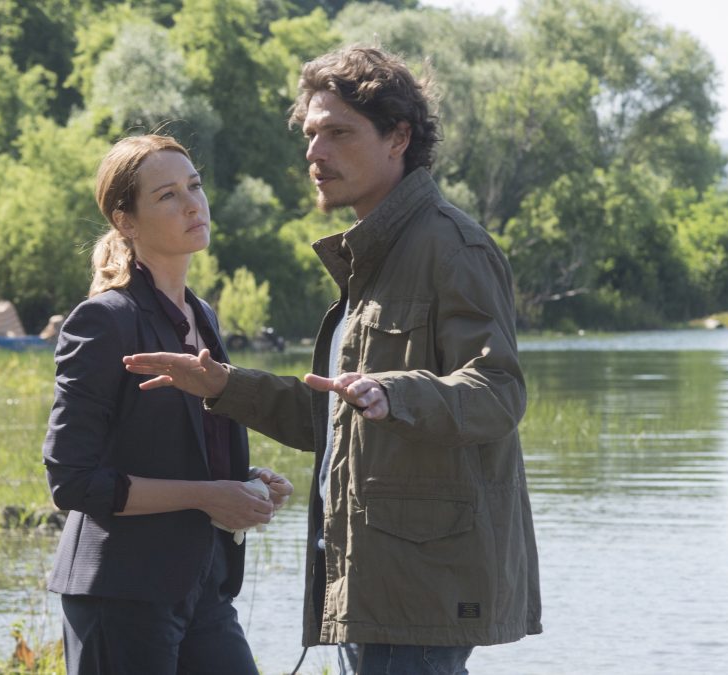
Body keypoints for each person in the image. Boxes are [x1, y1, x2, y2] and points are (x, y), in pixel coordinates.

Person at [123, 46, 541, 674]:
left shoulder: (453, 248)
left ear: (398, 137)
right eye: (310, 134)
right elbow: (332, 414)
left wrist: (396, 391)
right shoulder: (370, 257)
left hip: (422, 588)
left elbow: (498, 391)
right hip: (369, 580)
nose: (315, 153)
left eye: (338, 133)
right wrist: (223, 386)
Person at [43, 134, 294, 675]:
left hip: (204, 586)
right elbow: (73, 482)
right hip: (121, 592)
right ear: (125, 221)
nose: (192, 204)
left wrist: (244, 483)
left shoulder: (203, 316)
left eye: (194, 186)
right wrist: (208, 496)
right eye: (167, 195)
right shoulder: (103, 320)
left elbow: (173, 449)